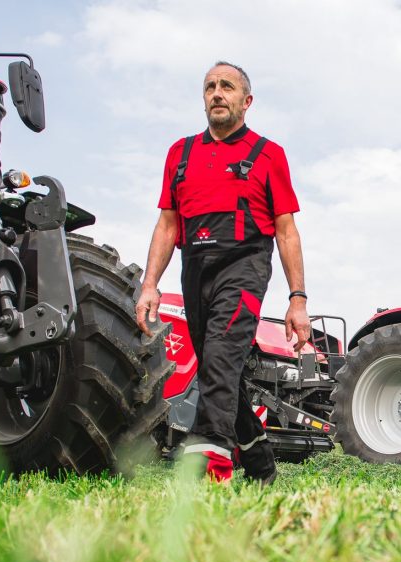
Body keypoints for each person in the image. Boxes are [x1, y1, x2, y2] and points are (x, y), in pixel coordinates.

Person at [136, 61, 311, 484]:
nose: (217, 93)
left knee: (220, 356)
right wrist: (149, 285)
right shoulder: (180, 153)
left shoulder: (269, 155)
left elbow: (286, 231)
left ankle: (208, 466)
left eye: (227, 86)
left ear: (246, 101)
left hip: (245, 266)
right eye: (210, 86)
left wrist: (297, 299)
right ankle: (261, 464)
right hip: (194, 268)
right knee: (218, 370)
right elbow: (167, 224)